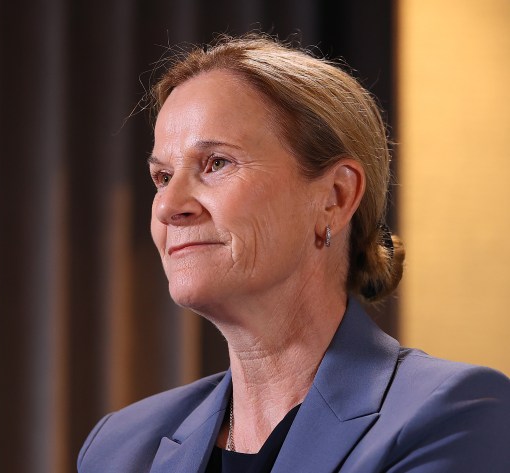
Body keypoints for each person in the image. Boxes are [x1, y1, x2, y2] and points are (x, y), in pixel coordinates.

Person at [77, 34, 510, 472]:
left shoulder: (455, 414)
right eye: (163, 176)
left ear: (335, 197)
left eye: (216, 163)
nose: (169, 207)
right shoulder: (119, 448)